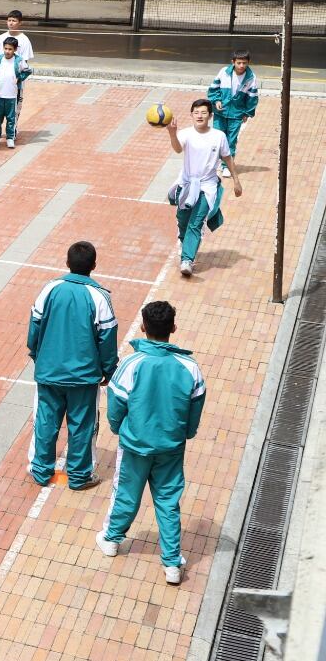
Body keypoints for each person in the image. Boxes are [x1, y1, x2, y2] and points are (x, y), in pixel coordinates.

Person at [97, 301, 206, 586]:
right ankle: (172, 563)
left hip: (134, 446)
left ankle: (112, 540)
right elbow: (195, 407)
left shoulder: (131, 364)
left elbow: (116, 404)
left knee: (126, 494)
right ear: (173, 328)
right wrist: (186, 433)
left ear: (143, 327)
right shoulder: (190, 368)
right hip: (171, 448)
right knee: (168, 503)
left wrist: (119, 428)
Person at [27, 241, 117, 490]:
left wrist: (37, 356)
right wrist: (108, 370)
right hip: (84, 377)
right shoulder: (100, 297)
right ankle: (79, 477)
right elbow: (107, 339)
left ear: (67, 263)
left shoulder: (50, 289)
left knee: (46, 422)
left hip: (49, 372)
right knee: (82, 426)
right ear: (94, 266)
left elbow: (34, 327)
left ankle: (41, 471)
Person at [166, 98, 242, 276]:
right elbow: (178, 149)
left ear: (210, 116)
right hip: (186, 184)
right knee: (183, 220)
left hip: (207, 186)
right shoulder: (185, 133)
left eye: (203, 113)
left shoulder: (219, 136)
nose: (200, 116)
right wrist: (172, 133)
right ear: (191, 115)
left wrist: (236, 180)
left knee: (196, 223)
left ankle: (187, 260)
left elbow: (227, 158)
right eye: (196, 112)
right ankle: (185, 243)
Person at [209, 49, 259, 175]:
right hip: (220, 113)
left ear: (248, 62)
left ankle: (227, 166)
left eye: (244, 63)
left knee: (231, 140)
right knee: (217, 138)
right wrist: (216, 100)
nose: (241, 66)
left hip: (237, 115)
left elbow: (252, 97)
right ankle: (214, 162)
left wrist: (247, 113)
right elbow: (213, 88)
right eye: (239, 63)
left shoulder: (251, 78)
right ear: (233, 62)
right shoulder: (223, 72)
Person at [0, 36, 33, 149]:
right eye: (5, 48)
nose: (7, 51)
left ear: (15, 50)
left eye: (10, 49)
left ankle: (10, 138)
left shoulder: (19, 60)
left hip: (12, 95)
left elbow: (28, 70)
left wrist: (19, 78)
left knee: (11, 118)